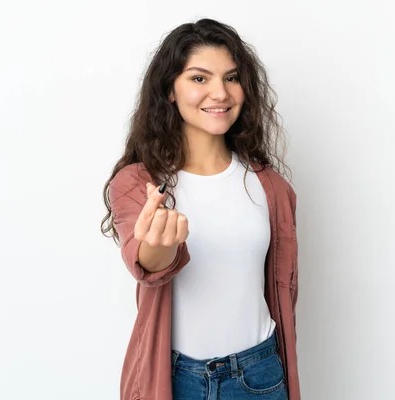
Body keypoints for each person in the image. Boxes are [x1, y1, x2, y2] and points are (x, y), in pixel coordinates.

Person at [101, 18, 300, 400]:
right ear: (170, 90)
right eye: (199, 78)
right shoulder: (137, 183)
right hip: (178, 381)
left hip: (259, 376)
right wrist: (161, 245)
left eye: (231, 77)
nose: (219, 93)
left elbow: (283, 292)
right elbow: (147, 263)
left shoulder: (271, 187)